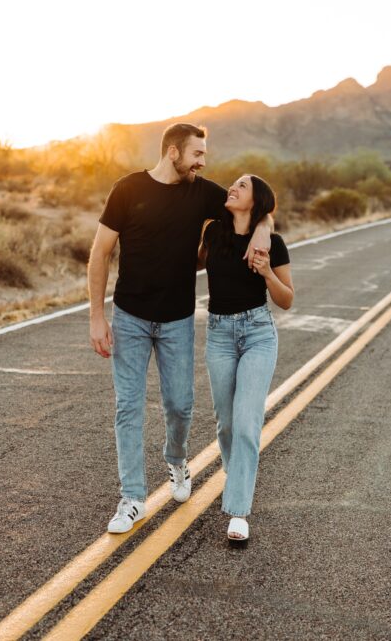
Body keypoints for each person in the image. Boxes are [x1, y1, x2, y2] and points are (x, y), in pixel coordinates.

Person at [87, 123, 272, 534]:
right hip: (130, 316)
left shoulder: (201, 192)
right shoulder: (128, 190)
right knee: (128, 407)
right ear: (173, 152)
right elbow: (100, 252)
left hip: (178, 320)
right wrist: (97, 317)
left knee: (180, 405)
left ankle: (176, 461)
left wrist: (263, 228)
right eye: (197, 154)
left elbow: (255, 205)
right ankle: (133, 498)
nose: (203, 162)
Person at [198, 174, 294, 545]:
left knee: (246, 422)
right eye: (233, 184)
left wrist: (267, 270)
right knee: (225, 424)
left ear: (256, 200)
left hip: (258, 334)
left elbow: (286, 299)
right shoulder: (213, 234)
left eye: (241, 186)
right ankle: (238, 474)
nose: (232, 188)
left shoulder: (275, 244)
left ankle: (238, 511)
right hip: (219, 334)